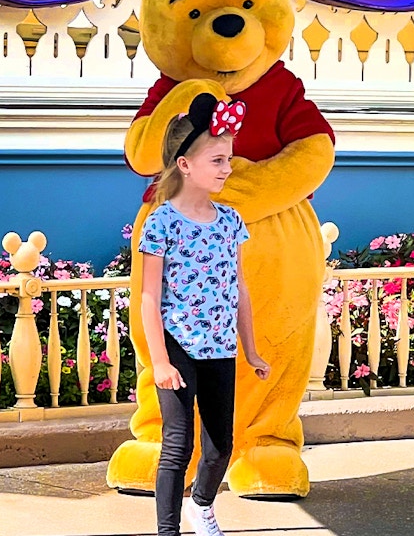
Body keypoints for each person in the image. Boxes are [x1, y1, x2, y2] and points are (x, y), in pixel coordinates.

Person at [139, 93, 272, 536]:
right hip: (178, 345)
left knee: (221, 447)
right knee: (177, 446)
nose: (227, 169)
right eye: (217, 160)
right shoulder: (161, 223)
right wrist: (159, 360)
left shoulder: (230, 220)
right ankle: (168, 531)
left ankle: (202, 504)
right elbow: (148, 298)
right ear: (185, 165)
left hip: (219, 346)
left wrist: (250, 349)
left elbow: (240, 289)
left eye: (228, 159)